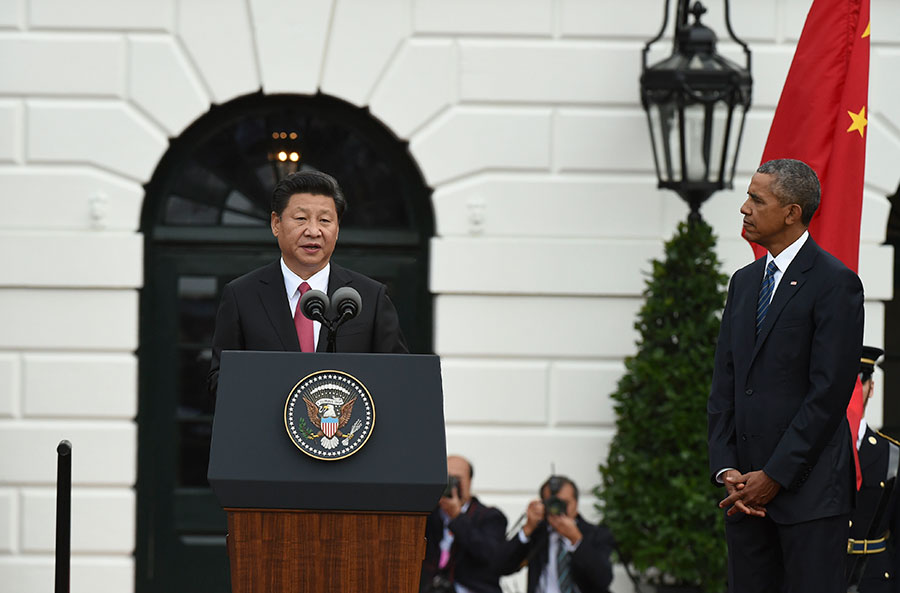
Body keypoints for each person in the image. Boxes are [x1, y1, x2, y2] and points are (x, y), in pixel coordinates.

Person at [707, 158, 865, 592]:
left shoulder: (836, 283)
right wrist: (726, 470)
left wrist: (774, 475)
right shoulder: (743, 282)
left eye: (757, 199)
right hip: (744, 500)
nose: (744, 208)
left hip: (809, 499)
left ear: (792, 212)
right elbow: (726, 386)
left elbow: (828, 394)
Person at [207, 170, 408, 397]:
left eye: (324, 220)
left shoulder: (369, 297)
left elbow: (398, 379)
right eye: (301, 219)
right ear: (276, 223)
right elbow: (221, 382)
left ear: (337, 229)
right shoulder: (241, 296)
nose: (313, 231)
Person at [497, 475, 614, 593]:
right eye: (553, 503)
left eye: (565, 503)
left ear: (576, 503)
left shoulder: (596, 534)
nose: (559, 509)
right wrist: (527, 529)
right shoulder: (537, 534)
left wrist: (576, 540)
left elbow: (603, 579)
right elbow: (503, 566)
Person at [846, 346, 900, 591]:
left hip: (874, 578)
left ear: (871, 387)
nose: (853, 394)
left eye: (858, 385)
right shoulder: (806, 450)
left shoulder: (892, 453)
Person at [420, 455, 508, 593]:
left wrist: (457, 517)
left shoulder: (490, 517)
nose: (452, 485)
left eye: (457, 480)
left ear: (470, 481)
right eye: (447, 479)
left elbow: (490, 555)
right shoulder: (428, 516)